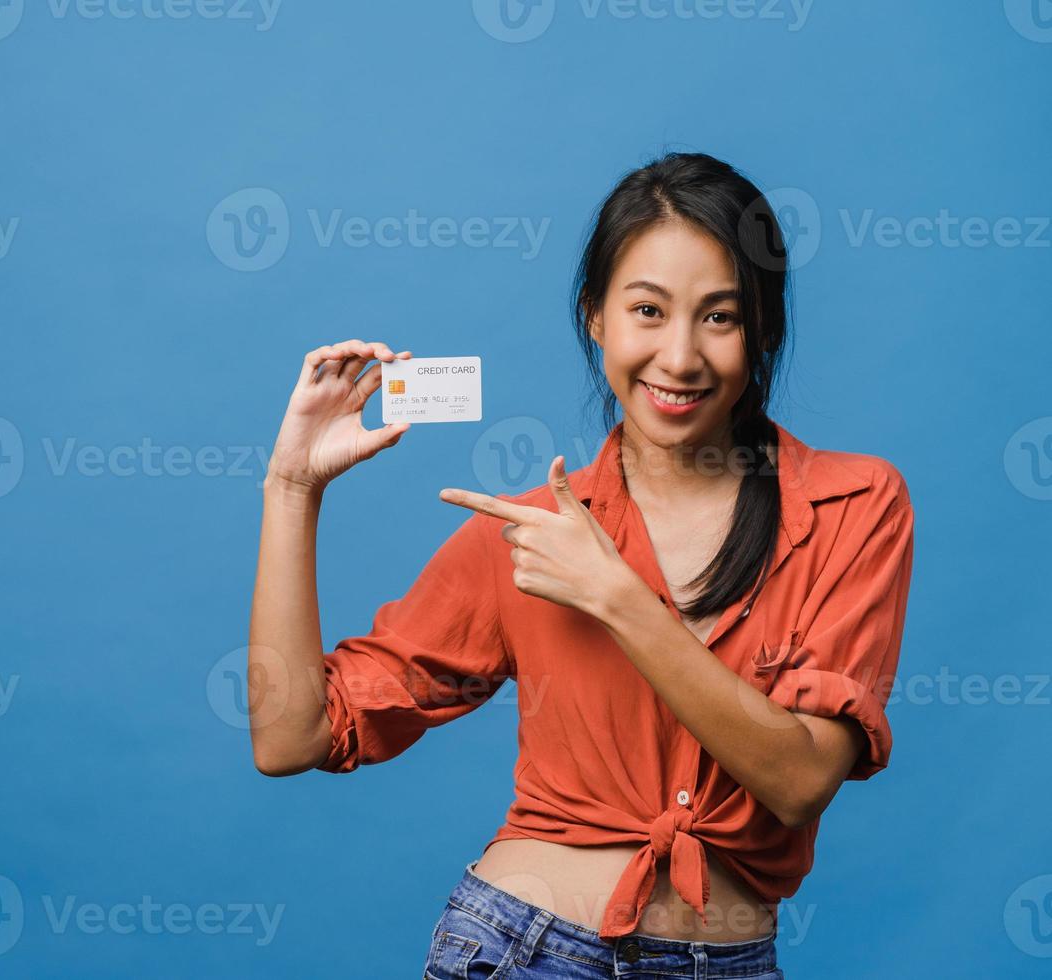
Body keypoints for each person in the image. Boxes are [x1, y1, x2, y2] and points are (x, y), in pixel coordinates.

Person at [247, 152, 914, 979]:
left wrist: (617, 598)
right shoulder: (531, 534)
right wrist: (292, 486)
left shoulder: (856, 506)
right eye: (646, 310)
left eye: (719, 316)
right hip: (521, 951)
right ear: (595, 317)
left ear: (764, 329)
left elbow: (801, 777)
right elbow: (291, 738)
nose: (679, 356)